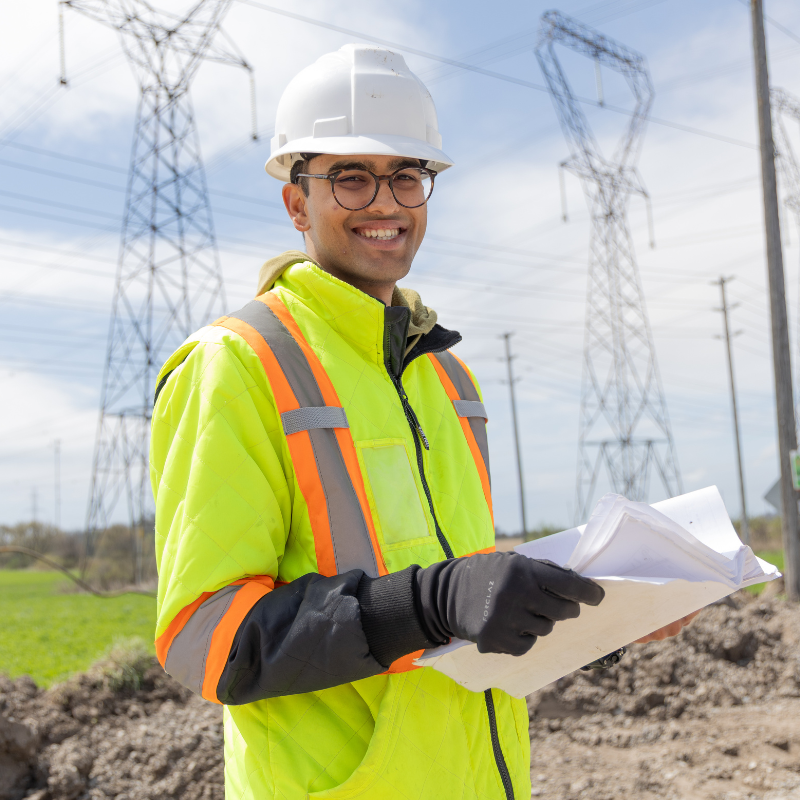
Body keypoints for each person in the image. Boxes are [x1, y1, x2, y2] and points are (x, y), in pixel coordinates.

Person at [150, 44, 695, 800]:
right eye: (351, 176)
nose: (386, 202)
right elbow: (205, 644)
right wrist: (433, 603)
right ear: (296, 202)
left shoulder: (447, 376)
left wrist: (605, 617)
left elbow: (467, 605)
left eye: (407, 176)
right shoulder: (235, 365)